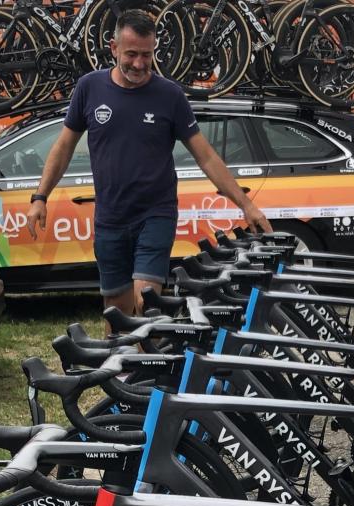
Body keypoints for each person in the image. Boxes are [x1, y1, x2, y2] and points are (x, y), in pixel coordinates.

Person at [25, 9, 271, 316]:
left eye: (147, 54)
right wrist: (40, 197)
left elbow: (205, 155)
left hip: (155, 215)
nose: (140, 64)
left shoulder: (170, 96)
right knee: (116, 309)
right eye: (131, 54)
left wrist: (246, 204)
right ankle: (122, 365)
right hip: (110, 217)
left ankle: (146, 363)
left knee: (145, 301)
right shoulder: (89, 88)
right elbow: (63, 147)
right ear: (113, 48)